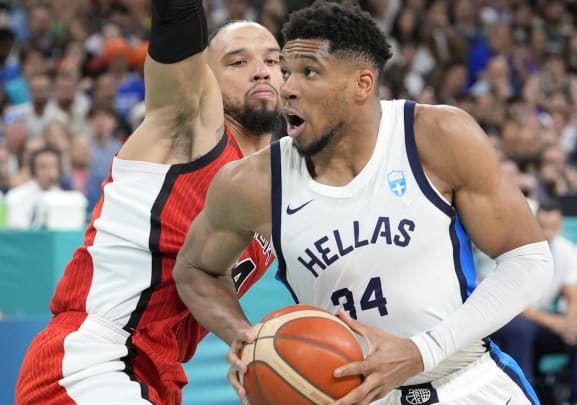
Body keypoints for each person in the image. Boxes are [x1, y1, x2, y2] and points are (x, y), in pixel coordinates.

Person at [173, 2, 554, 404]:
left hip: (465, 382)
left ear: (362, 84)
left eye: (310, 72)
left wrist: (421, 351)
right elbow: (195, 268)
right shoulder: (253, 182)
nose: (287, 88)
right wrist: (245, 336)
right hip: (352, 397)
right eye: (286, 72)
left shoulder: (435, 134)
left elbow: (529, 261)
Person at [15, 1, 282, 403]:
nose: (261, 70)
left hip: (155, 375)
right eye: (237, 62)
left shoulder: (280, 184)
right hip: (92, 357)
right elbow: (177, 20)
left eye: (273, 60)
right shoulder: (187, 127)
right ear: (205, 75)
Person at [490, 203, 577, 405]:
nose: (548, 232)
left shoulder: (566, 250)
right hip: (510, 320)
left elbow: (573, 292)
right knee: (521, 330)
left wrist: (572, 319)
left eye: (553, 227)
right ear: (533, 224)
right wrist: (554, 322)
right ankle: (523, 397)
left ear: (560, 226)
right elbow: (513, 304)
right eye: (543, 226)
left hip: (541, 323)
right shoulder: (516, 250)